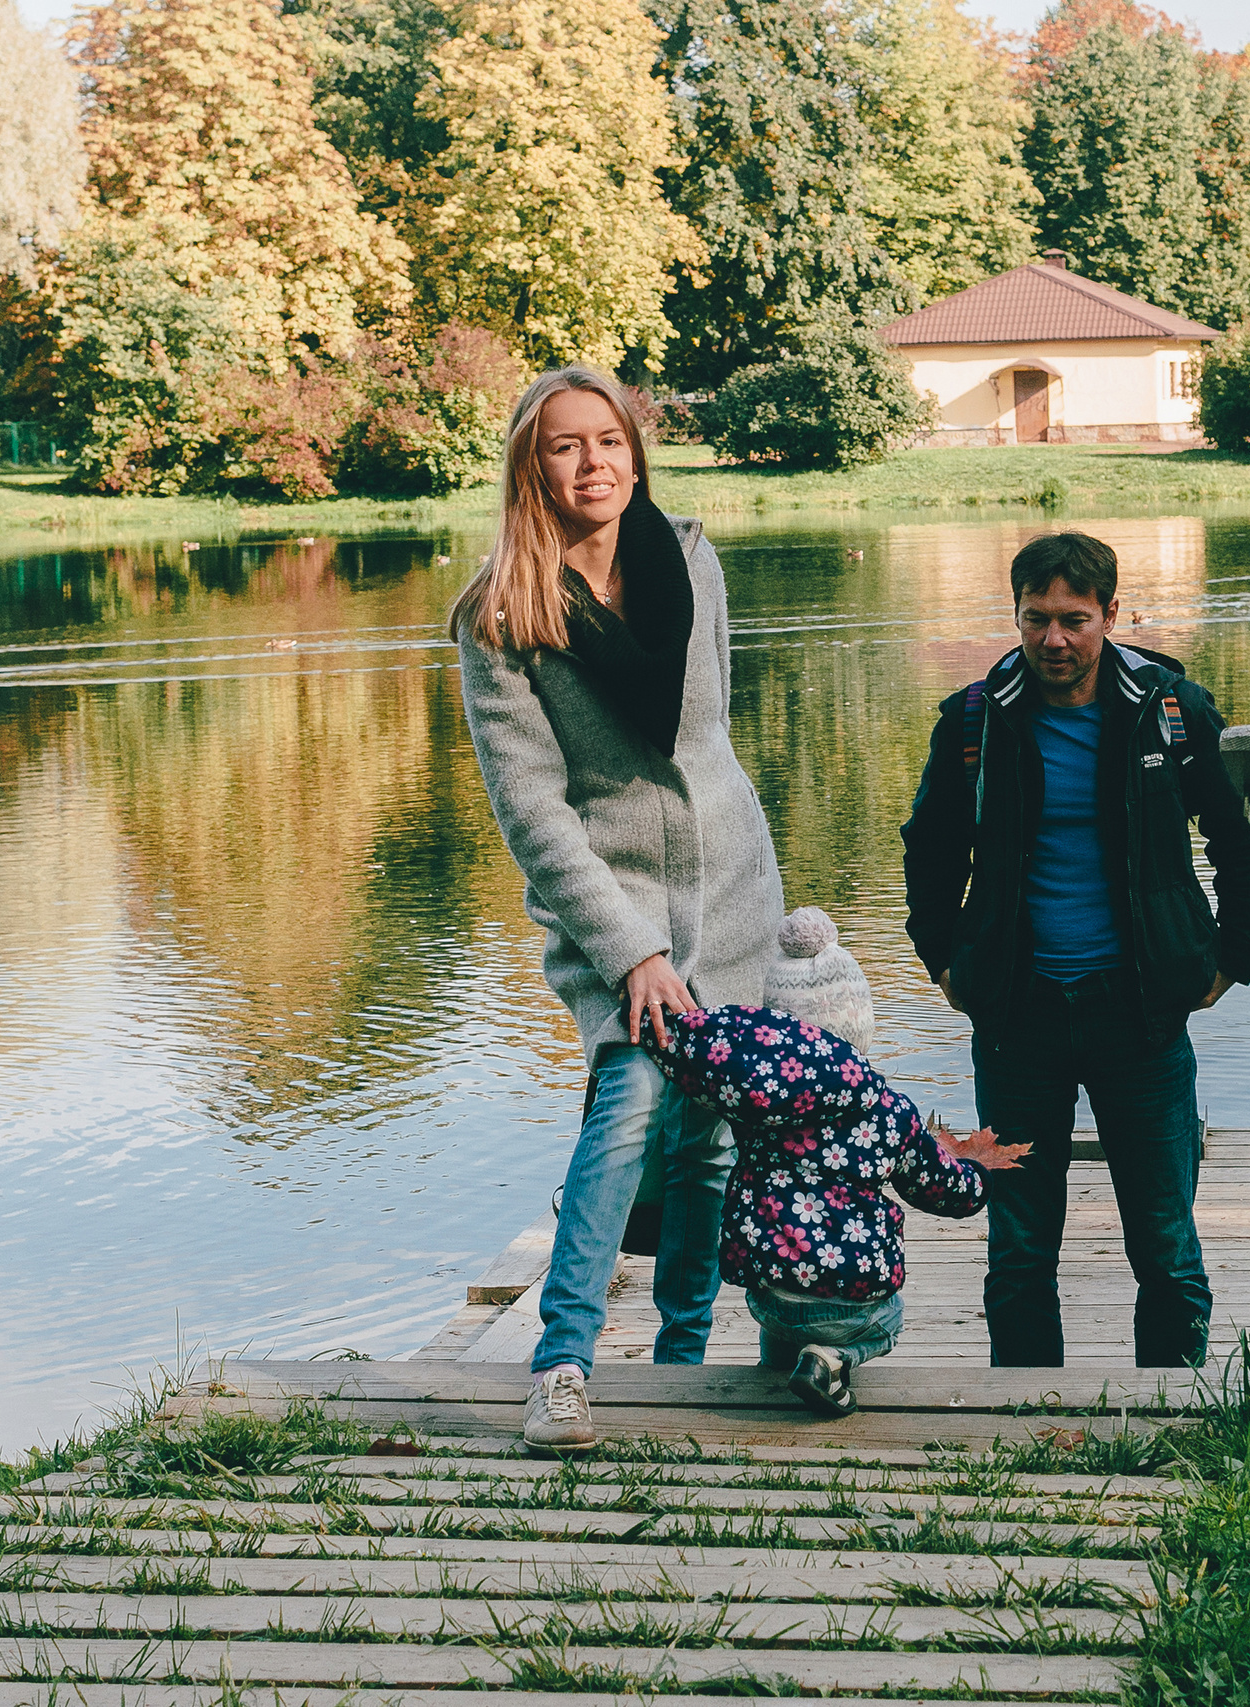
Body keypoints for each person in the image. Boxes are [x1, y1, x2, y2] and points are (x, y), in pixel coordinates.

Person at [451, 366, 784, 1454]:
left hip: (732, 886)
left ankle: (682, 1363)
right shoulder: (501, 615)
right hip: (612, 899)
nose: (592, 463)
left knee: (709, 1138)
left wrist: (731, 874)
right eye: (564, 446)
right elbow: (532, 812)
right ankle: (561, 1366)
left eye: (609, 440)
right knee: (631, 1101)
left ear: (635, 453)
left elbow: (712, 735)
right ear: (530, 468)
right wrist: (632, 948)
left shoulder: (690, 559)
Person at [900, 531, 1250, 1368]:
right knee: (1020, 1245)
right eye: (1036, 619)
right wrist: (945, 960)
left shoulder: (1171, 708)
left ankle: (1174, 1417)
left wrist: (1230, 958)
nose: (1053, 639)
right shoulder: (973, 716)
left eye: (1073, 619)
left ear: (1111, 613)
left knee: (1165, 1240)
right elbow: (930, 846)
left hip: (1138, 1014)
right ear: (1016, 615)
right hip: (1017, 1017)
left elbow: (1242, 843)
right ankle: (1026, 1425)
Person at [644, 996, 1027, 1416]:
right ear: (856, 1039)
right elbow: (941, 1189)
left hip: (767, 1300)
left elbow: (688, 1060)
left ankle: (778, 1368)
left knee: (790, 1285)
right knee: (890, 1318)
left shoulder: (754, 1098)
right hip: (846, 1305)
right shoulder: (889, 1112)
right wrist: (978, 1178)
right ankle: (831, 1361)